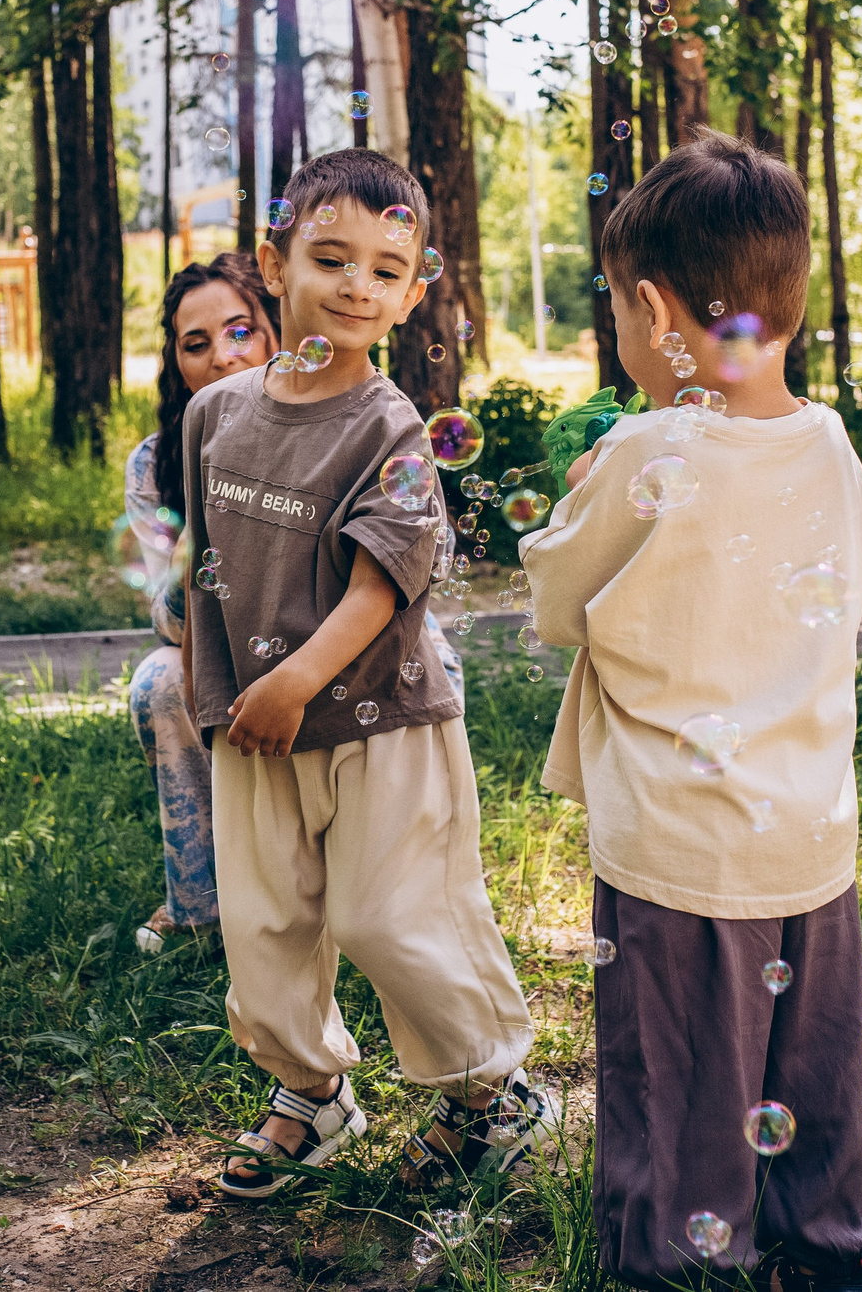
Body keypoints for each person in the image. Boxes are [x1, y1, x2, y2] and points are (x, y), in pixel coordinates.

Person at [521, 129, 862, 1292]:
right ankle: (827, 1246)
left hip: (676, 851)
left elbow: (557, 602)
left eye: (620, 313)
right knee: (812, 1073)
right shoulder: (830, 443)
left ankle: (678, 1261)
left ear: (651, 309)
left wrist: (576, 499)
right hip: (807, 835)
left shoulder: (646, 449)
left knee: (676, 1082)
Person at [179, 149, 555, 1200]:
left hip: (379, 715)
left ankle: (492, 1090)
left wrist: (296, 679)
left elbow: (381, 584)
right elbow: (206, 563)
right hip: (253, 721)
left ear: (411, 292)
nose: (357, 285)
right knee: (263, 923)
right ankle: (309, 1091)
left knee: (393, 915)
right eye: (331, 257)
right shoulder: (216, 414)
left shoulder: (389, 427)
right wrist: (214, 688)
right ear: (274, 265)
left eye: (386, 269)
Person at [126, 253, 279, 953]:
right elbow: (166, 617)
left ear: (276, 332)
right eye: (196, 343)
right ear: (178, 364)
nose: (222, 356)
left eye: (240, 330)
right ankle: (199, 906)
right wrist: (211, 520)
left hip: (333, 645)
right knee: (159, 680)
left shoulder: (336, 429)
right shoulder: (154, 463)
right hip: (220, 648)